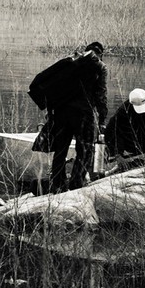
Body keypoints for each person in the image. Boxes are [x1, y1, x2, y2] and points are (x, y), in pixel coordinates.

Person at [28, 41, 108, 193]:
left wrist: (51, 112)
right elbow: (101, 96)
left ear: (86, 51)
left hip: (61, 113)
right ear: (101, 55)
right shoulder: (99, 67)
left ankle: (57, 185)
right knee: (85, 150)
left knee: (60, 149)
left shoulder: (71, 61)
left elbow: (56, 87)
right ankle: (76, 184)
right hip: (83, 114)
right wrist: (102, 119)